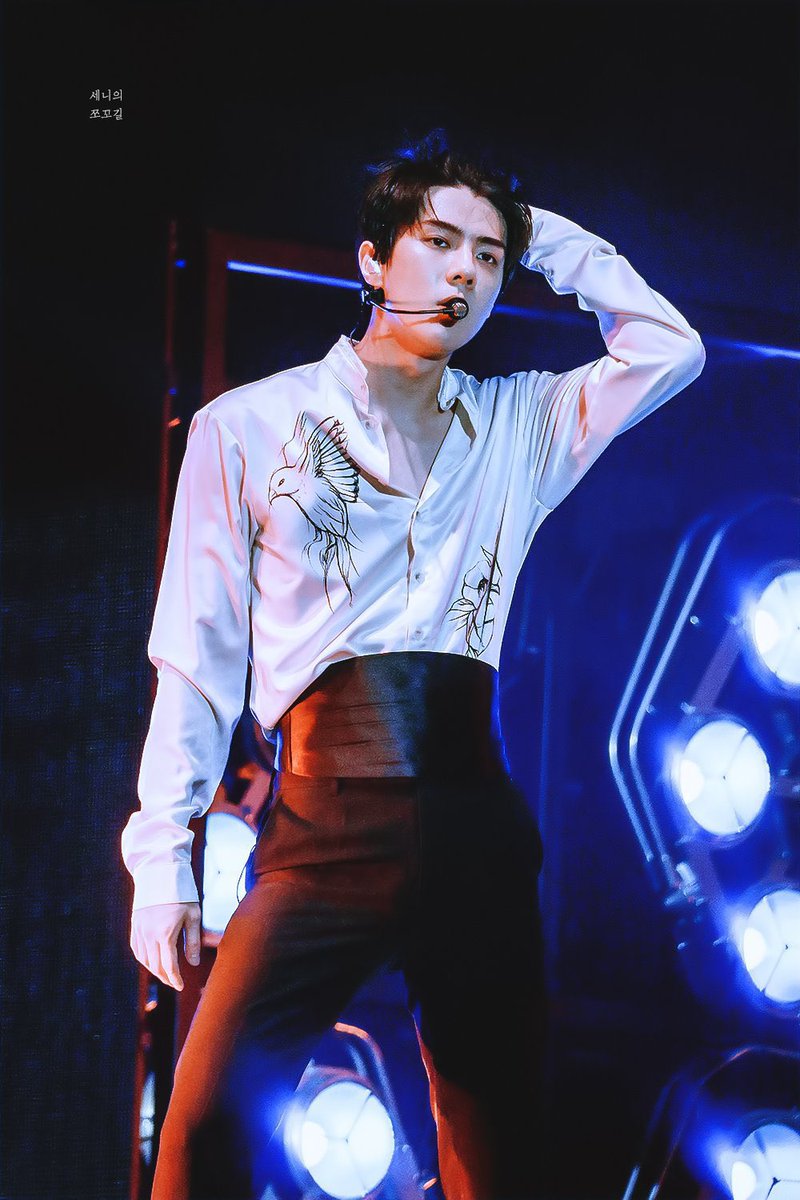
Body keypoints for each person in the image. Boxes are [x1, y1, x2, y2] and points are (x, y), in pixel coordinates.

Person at [121, 127, 705, 1200]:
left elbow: (669, 350)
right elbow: (195, 659)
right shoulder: (246, 427)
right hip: (322, 827)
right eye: (438, 242)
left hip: (476, 825)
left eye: (487, 256)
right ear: (372, 258)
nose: (464, 274)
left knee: (498, 1157)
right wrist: (162, 858)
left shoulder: (522, 423)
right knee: (203, 1137)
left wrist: (544, 241)